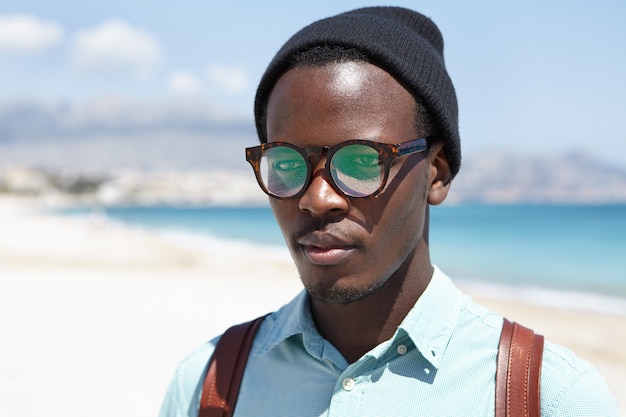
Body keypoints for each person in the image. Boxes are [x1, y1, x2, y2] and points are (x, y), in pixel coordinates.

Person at [159, 6, 618, 416]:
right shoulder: (212, 384)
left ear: (435, 173)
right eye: (286, 164)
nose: (317, 200)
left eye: (361, 161)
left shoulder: (543, 397)